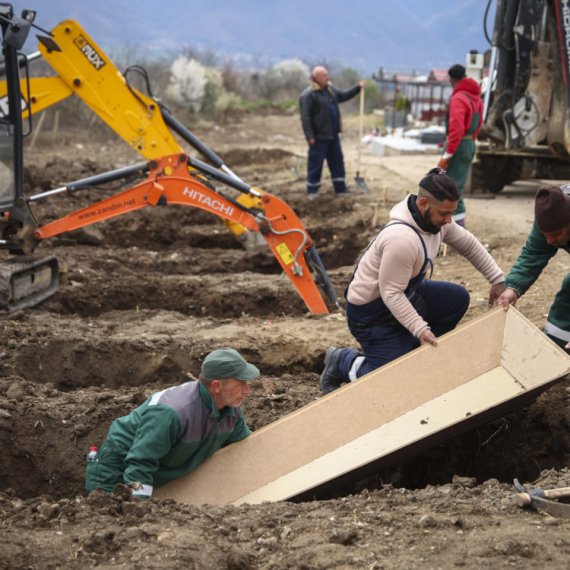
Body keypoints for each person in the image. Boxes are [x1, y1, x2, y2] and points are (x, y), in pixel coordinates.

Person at [320, 168, 505, 394]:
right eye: (444, 214)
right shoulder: (402, 239)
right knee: (392, 381)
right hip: (371, 314)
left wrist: (497, 279)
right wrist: (420, 329)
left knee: (456, 298)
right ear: (424, 203)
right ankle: (343, 361)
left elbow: (468, 244)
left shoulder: (436, 224)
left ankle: (412, 358)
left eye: (451, 214)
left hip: (404, 294)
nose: (449, 220)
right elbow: (391, 294)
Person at [86, 347, 259, 497]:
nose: (247, 390)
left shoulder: (230, 410)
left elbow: (244, 447)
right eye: (241, 383)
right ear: (217, 386)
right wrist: (137, 507)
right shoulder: (172, 412)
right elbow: (140, 464)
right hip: (117, 468)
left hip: (158, 470)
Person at [497, 185, 570, 353]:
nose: (549, 241)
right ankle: (555, 351)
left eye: (555, 234)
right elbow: (533, 253)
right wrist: (513, 287)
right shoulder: (550, 214)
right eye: (545, 234)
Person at [299, 66, 366, 199]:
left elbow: (344, 95)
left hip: (333, 135)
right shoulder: (308, 95)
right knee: (315, 163)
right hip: (318, 137)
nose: (327, 77)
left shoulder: (329, 90)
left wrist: (358, 87)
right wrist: (310, 136)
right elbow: (305, 117)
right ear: (316, 78)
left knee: (337, 162)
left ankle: (340, 188)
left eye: (327, 75)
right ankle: (312, 190)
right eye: (324, 76)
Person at [437, 64, 484, 227]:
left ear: (451, 80)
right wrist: (469, 141)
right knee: (454, 184)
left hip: (456, 146)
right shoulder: (476, 98)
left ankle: (457, 228)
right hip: (469, 144)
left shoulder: (458, 98)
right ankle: (451, 224)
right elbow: (479, 124)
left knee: (450, 187)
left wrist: (447, 155)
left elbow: (456, 129)